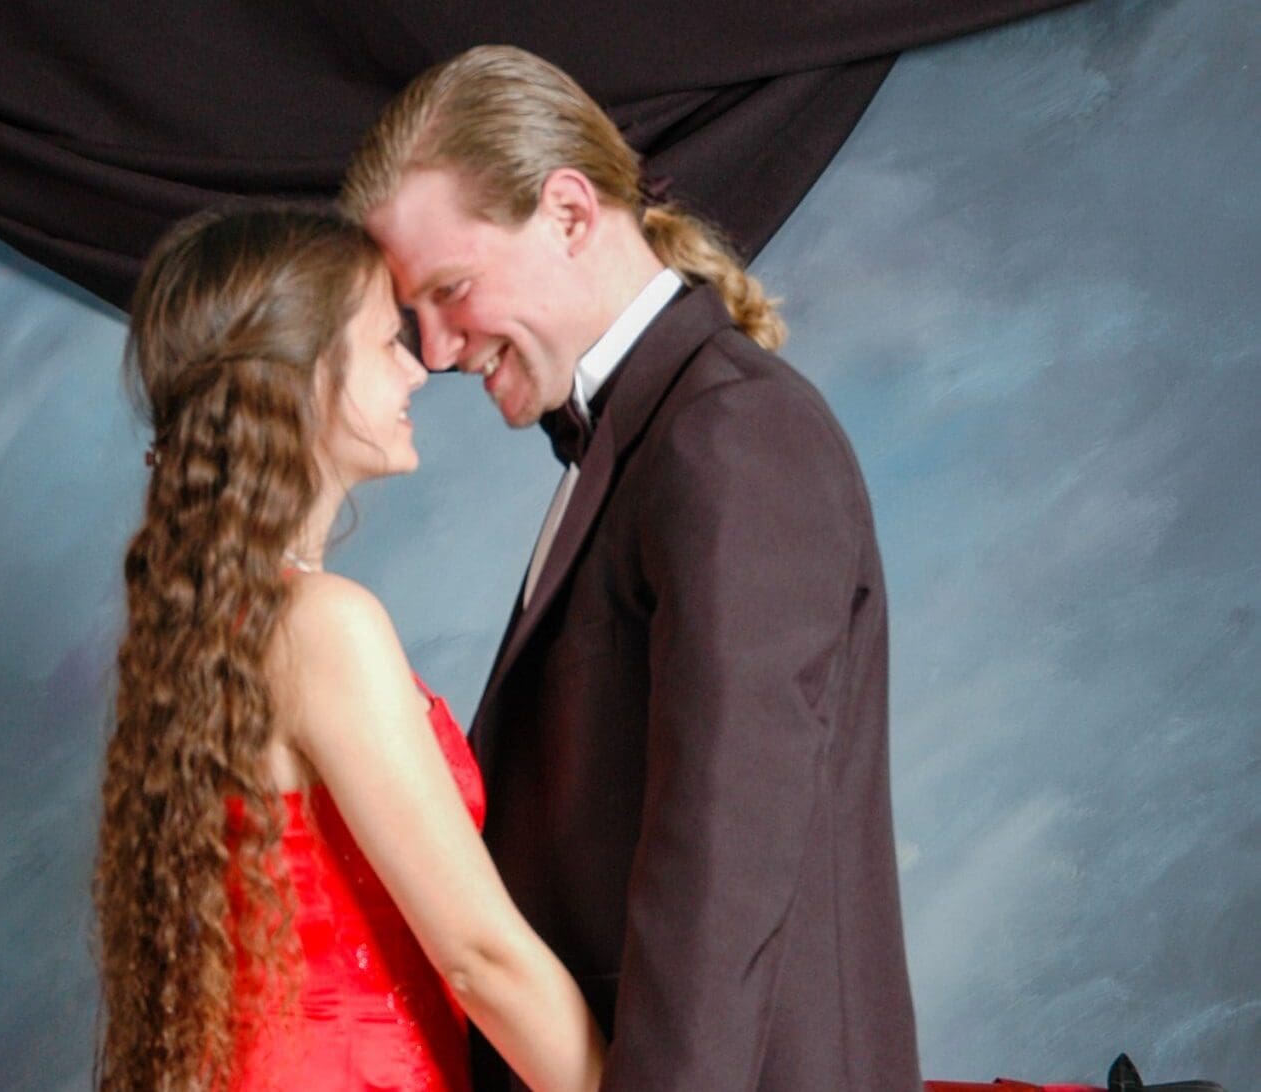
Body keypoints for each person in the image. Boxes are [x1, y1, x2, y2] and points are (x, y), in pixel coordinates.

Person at [341, 46, 922, 1091]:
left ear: (569, 213)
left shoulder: (731, 435)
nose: (431, 348)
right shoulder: (644, 438)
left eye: (450, 290)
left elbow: (725, 874)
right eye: (411, 313)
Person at [93, 206, 606, 1092]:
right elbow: (482, 958)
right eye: (385, 344)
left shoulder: (229, 622)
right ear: (301, 381)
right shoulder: (322, 624)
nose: (419, 369)